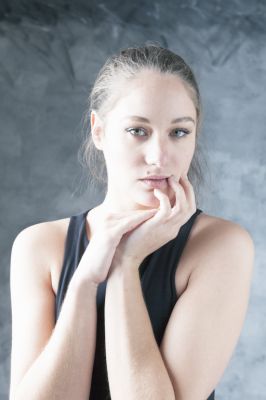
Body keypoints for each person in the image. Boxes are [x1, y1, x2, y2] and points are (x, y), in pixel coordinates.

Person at [9, 43, 254, 400]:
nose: (159, 156)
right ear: (99, 131)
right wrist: (84, 283)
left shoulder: (220, 246)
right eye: (138, 130)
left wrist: (126, 264)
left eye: (179, 132)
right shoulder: (39, 246)